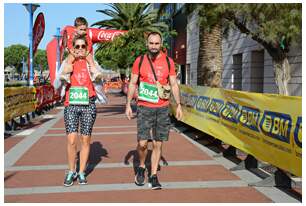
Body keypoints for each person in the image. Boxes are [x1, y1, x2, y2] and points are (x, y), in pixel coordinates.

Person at [125, 32, 183, 190]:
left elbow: (174, 85)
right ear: (147, 44)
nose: (154, 46)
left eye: (157, 43)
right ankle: (142, 166)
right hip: (144, 107)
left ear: (161, 44)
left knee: (158, 143)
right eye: (151, 43)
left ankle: (153, 176)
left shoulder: (169, 62)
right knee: (142, 143)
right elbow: (132, 83)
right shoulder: (140, 61)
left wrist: (178, 104)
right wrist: (128, 104)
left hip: (162, 108)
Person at [62, 34, 97, 187]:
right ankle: (71, 171)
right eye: (77, 46)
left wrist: (92, 65)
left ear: (87, 48)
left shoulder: (92, 63)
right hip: (71, 104)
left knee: (85, 139)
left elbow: (100, 78)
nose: (80, 49)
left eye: (83, 46)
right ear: (73, 48)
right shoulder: (68, 62)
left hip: (88, 103)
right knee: (71, 139)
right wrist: (68, 66)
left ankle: (81, 172)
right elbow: (58, 80)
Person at [60, 17, 102, 84]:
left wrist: (87, 51)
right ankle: (66, 74)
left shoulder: (86, 36)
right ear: (75, 28)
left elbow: (90, 44)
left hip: (85, 54)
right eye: (81, 29)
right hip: (75, 53)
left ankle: (94, 72)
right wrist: (72, 52)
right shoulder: (73, 35)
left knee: (90, 58)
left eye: (85, 29)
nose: (83, 31)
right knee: (69, 59)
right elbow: (69, 43)